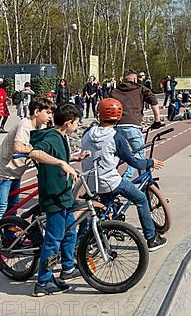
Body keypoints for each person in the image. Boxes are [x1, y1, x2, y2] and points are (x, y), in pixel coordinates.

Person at [82, 98, 167, 251]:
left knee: (105, 203)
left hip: (89, 181)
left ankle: (96, 235)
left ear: (99, 114)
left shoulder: (87, 133)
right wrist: (150, 162)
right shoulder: (116, 137)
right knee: (141, 199)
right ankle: (151, 238)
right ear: (119, 116)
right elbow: (134, 162)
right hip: (108, 181)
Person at [29, 103, 89, 296]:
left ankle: (67, 267)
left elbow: (59, 157)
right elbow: (35, 153)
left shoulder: (62, 137)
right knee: (53, 239)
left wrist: (75, 159)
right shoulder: (52, 137)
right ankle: (43, 283)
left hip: (64, 194)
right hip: (54, 195)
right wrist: (62, 163)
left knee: (70, 231)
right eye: (77, 123)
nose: (78, 126)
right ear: (68, 122)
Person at [0, 97, 54, 217]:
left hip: (16, 171)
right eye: (48, 113)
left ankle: (9, 234)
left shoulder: (40, 128)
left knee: (13, 204)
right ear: (36, 112)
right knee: (2, 206)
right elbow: (18, 148)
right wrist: (35, 150)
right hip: (5, 172)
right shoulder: (26, 124)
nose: (50, 116)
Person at [112, 69, 163, 180]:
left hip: (116, 126)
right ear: (135, 79)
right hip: (133, 126)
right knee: (139, 153)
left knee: (116, 155)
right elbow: (154, 102)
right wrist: (157, 121)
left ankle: (110, 178)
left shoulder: (115, 91)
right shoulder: (140, 89)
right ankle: (125, 180)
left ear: (123, 79)